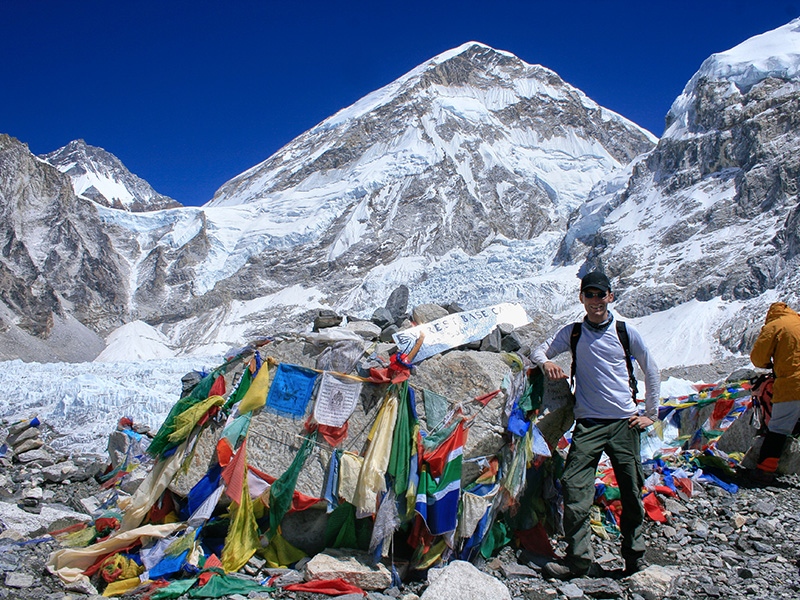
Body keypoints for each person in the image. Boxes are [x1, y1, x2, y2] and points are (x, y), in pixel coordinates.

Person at [531, 271, 660, 580]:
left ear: (610, 297)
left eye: (600, 294)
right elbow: (539, 350)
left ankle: (635, 558)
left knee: (630, 490)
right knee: (575, 486)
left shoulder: (625, 331)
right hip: (588, 424)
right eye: (589, 294)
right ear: (582, 298)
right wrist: (546, 363)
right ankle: (578, 561)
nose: (595, 300)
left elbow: (651, 368)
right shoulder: (573, 332)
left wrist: (651, 415)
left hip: (623, 423)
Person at [748, 302, 800, 483]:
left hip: (791, 385)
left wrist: (769, 365)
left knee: (778, 429)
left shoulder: (775, 326)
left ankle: (764, 471)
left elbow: (758, 358)